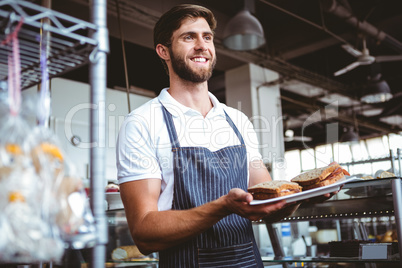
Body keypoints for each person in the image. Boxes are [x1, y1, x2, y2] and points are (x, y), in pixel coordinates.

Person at [116, 4, 294, 267]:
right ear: (163, 51)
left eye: (207, 37)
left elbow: (266, 205)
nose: (202, 45)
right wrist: (223, 206)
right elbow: (144, 233)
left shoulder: (237, 121)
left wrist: (300, 196)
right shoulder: (142, 123)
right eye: (189, 37)